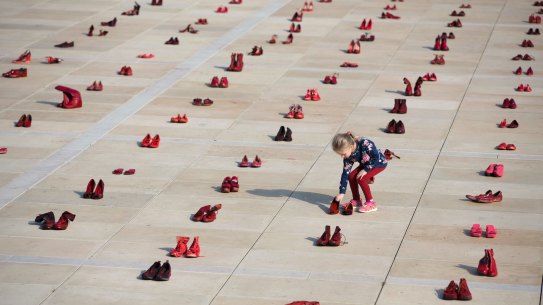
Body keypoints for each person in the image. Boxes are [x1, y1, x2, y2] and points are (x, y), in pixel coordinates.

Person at [332, 132, 387, 213]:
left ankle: (371, 203)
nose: (342, 157)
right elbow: (345, 173)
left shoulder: (365, 143)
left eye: (343, 154)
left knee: (361, 178)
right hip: (366, 163)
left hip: (379, 163)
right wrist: (341, 193)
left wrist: (366, 170)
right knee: (351, 176)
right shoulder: (348, 154)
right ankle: (356, 200)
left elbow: (376, 157)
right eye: (340, 154)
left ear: (351, 146)